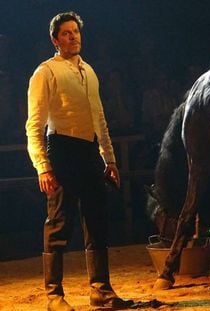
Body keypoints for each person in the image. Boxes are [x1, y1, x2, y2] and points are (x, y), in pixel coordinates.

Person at [25, 12, 133, 310]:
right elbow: (34, 125)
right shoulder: (45, 72)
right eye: (67, 33)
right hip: (62, 150)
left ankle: (101, 289)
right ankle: (54, 295)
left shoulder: (90, 71)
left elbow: (100, 119)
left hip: (89, 152)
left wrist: (109, 160)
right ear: (55, 40)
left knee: (97, 221)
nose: (74, 37)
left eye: (76, 31)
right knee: (59, 224)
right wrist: (43, 166)